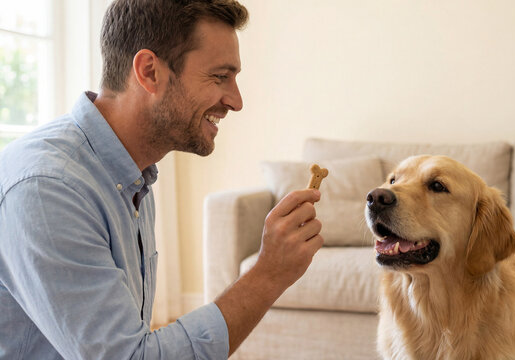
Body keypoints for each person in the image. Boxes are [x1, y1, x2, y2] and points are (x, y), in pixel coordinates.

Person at [0, 0, 324, 358]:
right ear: (150, 72)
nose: (236, 101)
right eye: (220, 77)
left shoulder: (132, 174)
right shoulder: (50, 189)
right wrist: (267, 275)